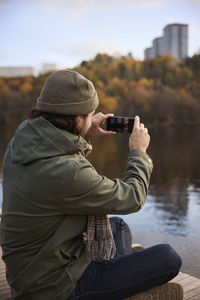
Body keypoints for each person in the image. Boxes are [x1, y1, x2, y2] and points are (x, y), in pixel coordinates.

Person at [1, 70, 183, 300]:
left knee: (117, 227)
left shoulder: (20, 142)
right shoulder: (67, 172)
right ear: (77, 118)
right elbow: (133, 197)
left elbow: (58, 162)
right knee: (168, 257)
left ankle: (113, 278)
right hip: (54, 288)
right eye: (88, 114)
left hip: (29, 272)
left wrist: (83, 133)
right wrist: (138, 152)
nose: (92, 117)